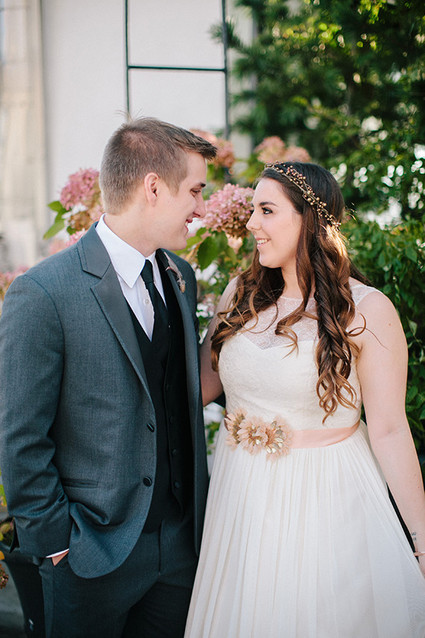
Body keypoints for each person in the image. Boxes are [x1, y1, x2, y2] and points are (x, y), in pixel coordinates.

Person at [185, 161, 425, 637]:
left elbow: (390, 429)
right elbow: (197, 387)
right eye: (252, 210)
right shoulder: (240, 294)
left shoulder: (366, 309)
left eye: (266, 210)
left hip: (325, 499)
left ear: (308, 219)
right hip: (240, 497)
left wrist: (421, 540)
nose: (251, 224)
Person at [0, 117, 216, 638]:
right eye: (195, 190)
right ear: (153, 187)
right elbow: (19, 436)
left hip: (179, 551)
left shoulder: (181, 277)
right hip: (87, 556)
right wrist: (56, 543)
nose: (200, 207)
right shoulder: (44, 293)